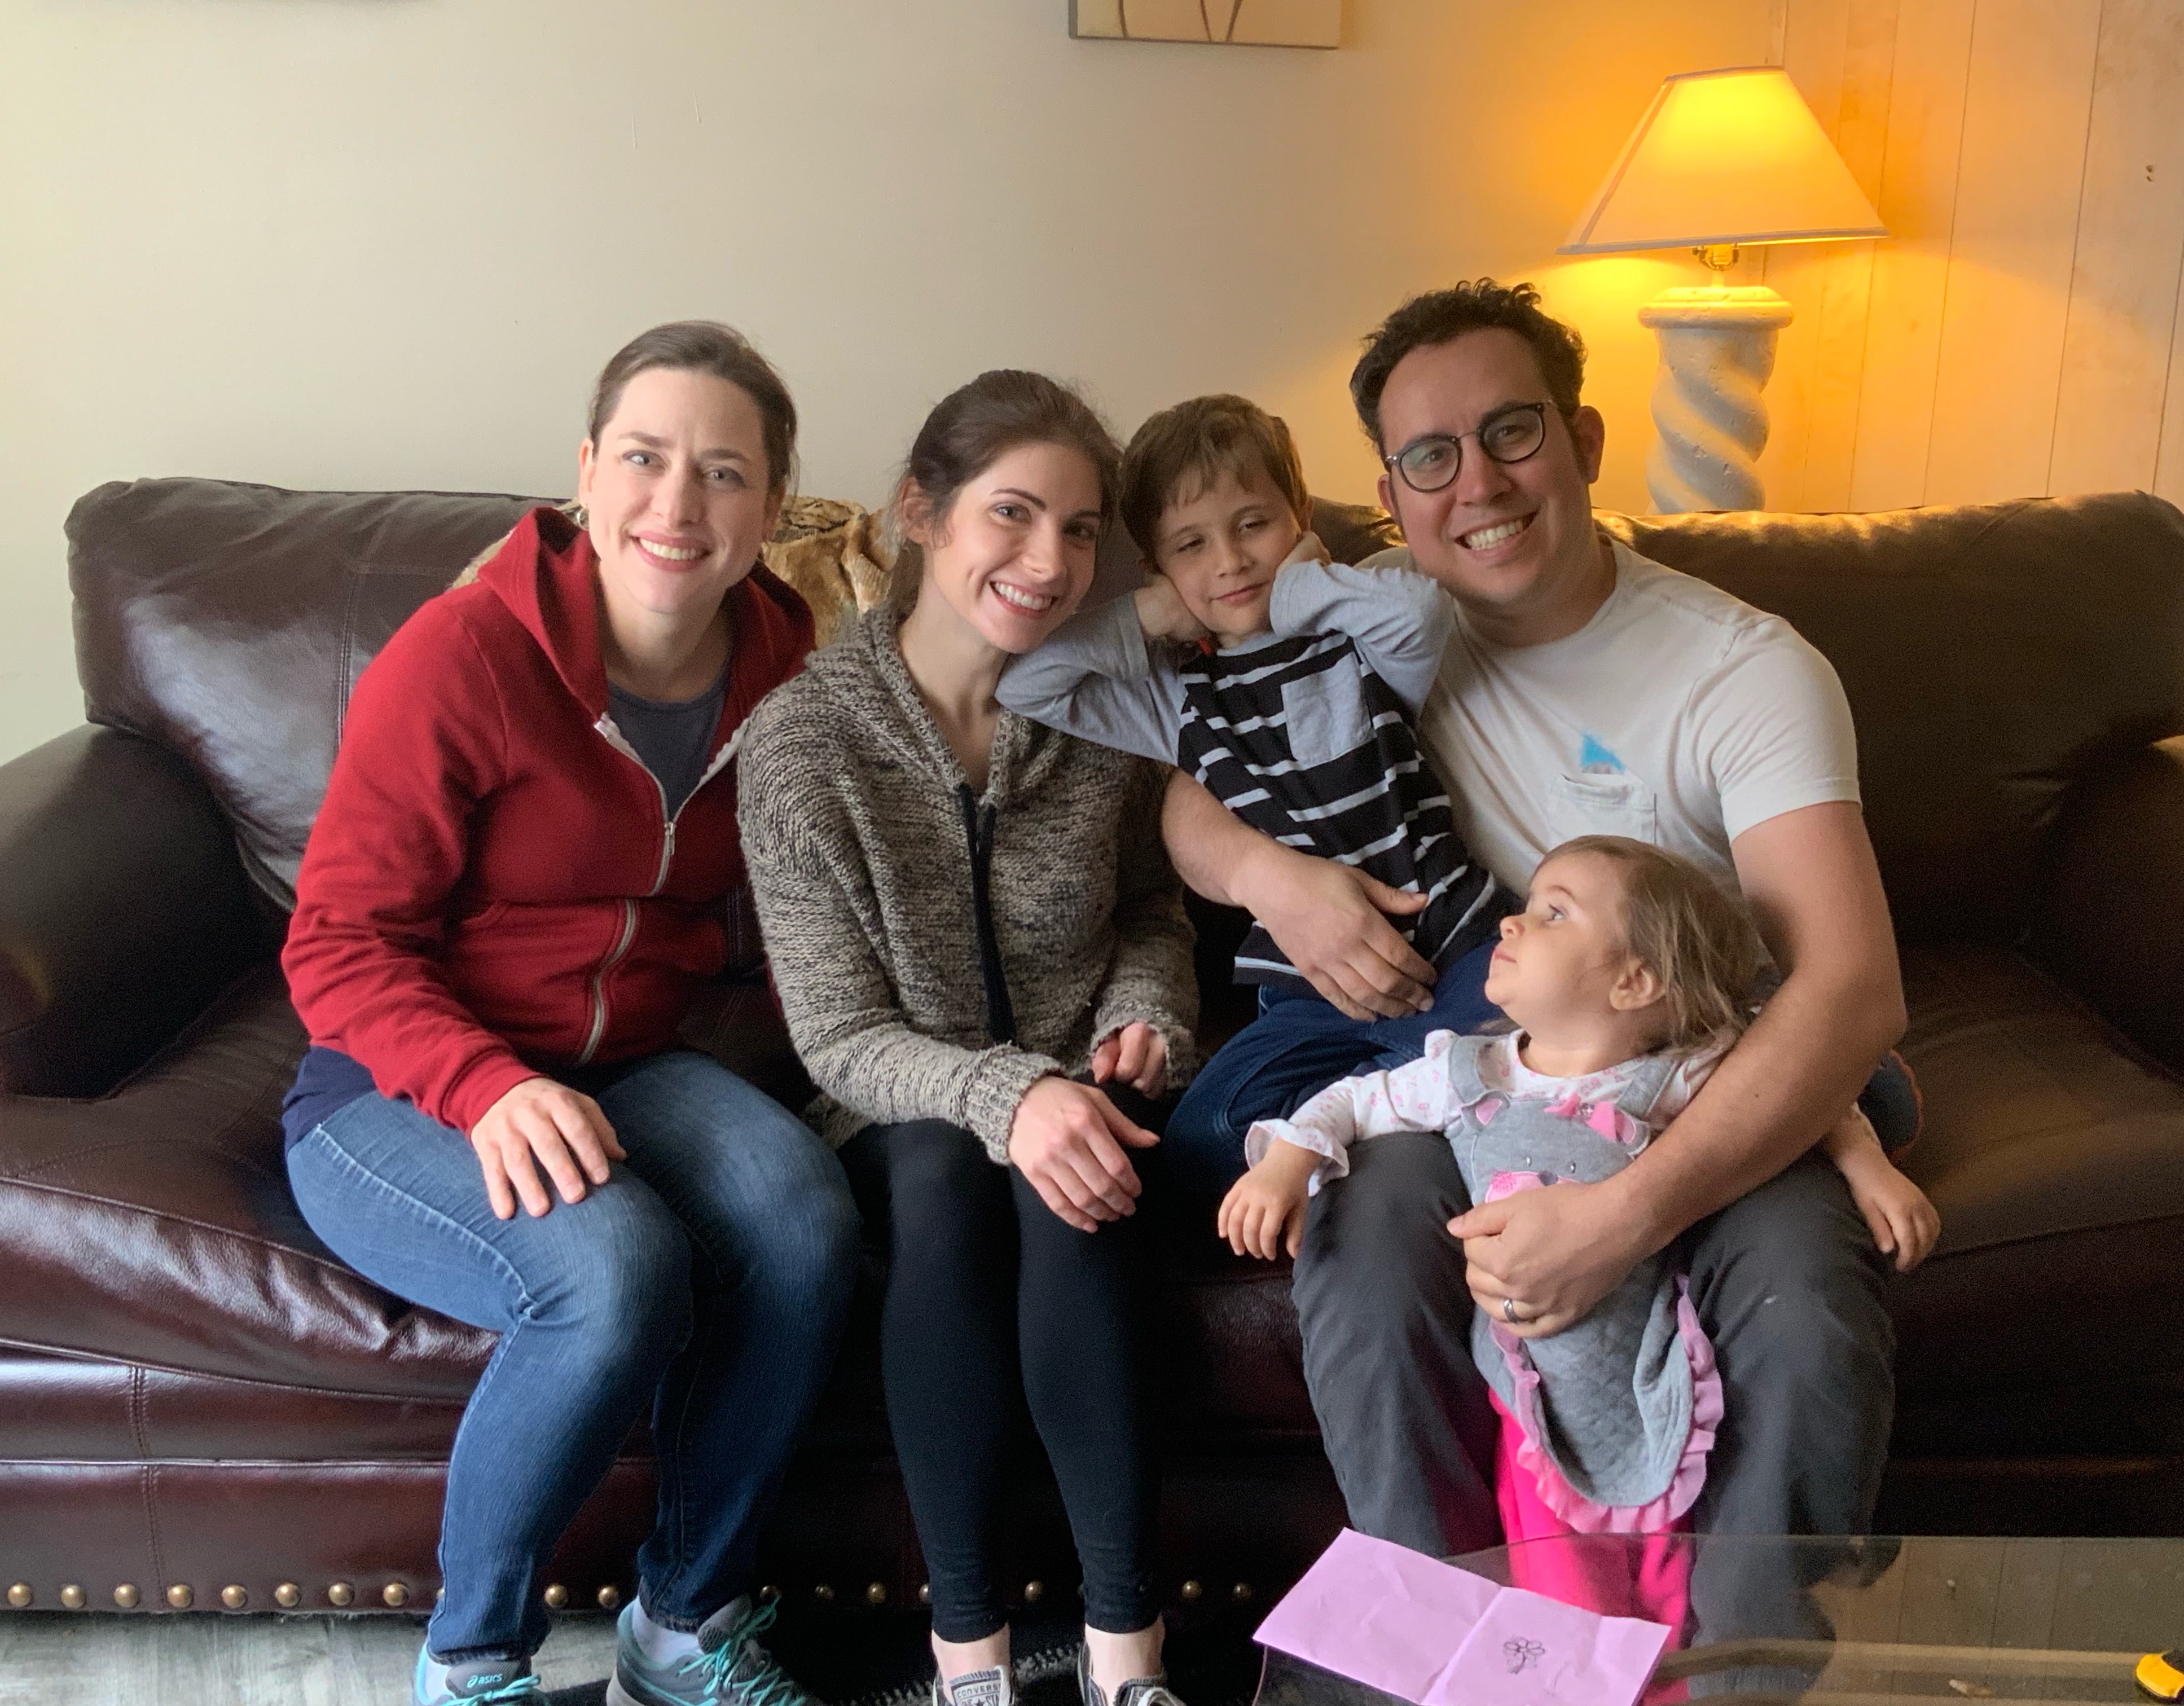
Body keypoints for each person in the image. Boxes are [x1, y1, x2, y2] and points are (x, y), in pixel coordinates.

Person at [1155, 280, 1915, 1617]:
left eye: (1512, 432)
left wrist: (1626, 1217)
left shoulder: (1745, 671)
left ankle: (1734, 1677)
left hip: (1710, 1070)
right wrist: (1278, 882)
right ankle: (1451, 1657)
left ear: (1586, 441)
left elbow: (1849, 990)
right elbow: (1183, 791)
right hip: (1498, 1064)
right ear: (1389, 500)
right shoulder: (1371, 624)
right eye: (1430, 458)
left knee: (1802, 1307)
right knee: (1366, 1235)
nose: (1478, 485)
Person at [280, 322, 861, 1706]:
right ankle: (472, 1662)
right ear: (587, 472)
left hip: (631, 1062)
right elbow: (337, 941)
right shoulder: (465, 655)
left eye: (725, 473)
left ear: (774, 508)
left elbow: (820, 882)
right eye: (646, 459)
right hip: (393, 1086)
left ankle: (686, 1627)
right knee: (612, 1270)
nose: (680, 503)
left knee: (806, 1216)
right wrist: (485, 1085)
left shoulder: (786, 668)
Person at [739, 371, 1198, 1706]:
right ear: (921, 512)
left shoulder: (1106, 711)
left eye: (1079, 529)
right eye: (1013, 513)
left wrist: (1143, 1016)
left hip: (1085, 1081)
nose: (1049, 561)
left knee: (1077, 1183)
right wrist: (1008, 1097)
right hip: (899, 1105)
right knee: (947, 1175)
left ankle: (1127, 1661)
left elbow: (1154, 909)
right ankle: (970, 1661)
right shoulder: (804, 741)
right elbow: (838, 1035)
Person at [1223, 836, 1937, 1562]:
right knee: (1556, 1572)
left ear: (1635, 982)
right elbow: (1354, 1100)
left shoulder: (1678, 1073)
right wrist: (1286, 1163)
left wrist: (1868, 1168)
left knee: (1668, 1573)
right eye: (1529, 906)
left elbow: (1810, 1093)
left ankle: (1745, 1621)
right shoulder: (1468, 1073)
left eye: (1553, 914)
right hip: (1524, 1388)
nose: (1511, 922)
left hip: (1648, 1358)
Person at [996, 394, 1510, 1202]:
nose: (1231, 561)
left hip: (1453, 946)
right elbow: (1026, 683)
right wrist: (1154, 610)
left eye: (1254, 525)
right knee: (1203, 1138)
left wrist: (1297, 586)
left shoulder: (1357, 640)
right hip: (1312, 993)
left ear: (1298, 518)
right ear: (1159, 563)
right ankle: (1392, 1101)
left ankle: (1377, 1109)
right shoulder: (1174, 697)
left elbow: (1422, 612)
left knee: (1518, 1069)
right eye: (1192, 545)